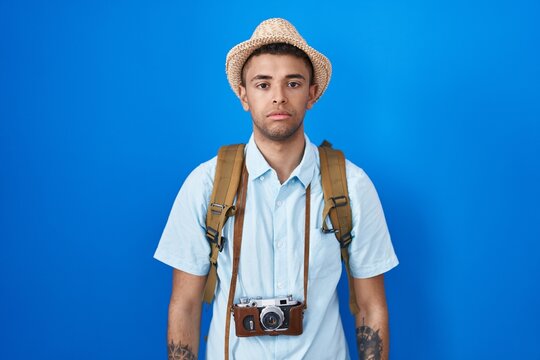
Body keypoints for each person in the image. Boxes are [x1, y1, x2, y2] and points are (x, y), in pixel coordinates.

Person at [155, 18, 399, 360]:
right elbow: (185, 306)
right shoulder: (206, 185)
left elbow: (371, 307)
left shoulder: (352, 186)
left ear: (312, 93)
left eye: (293, 83)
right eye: (263, 84)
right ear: (243, 95)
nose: (279, 98)